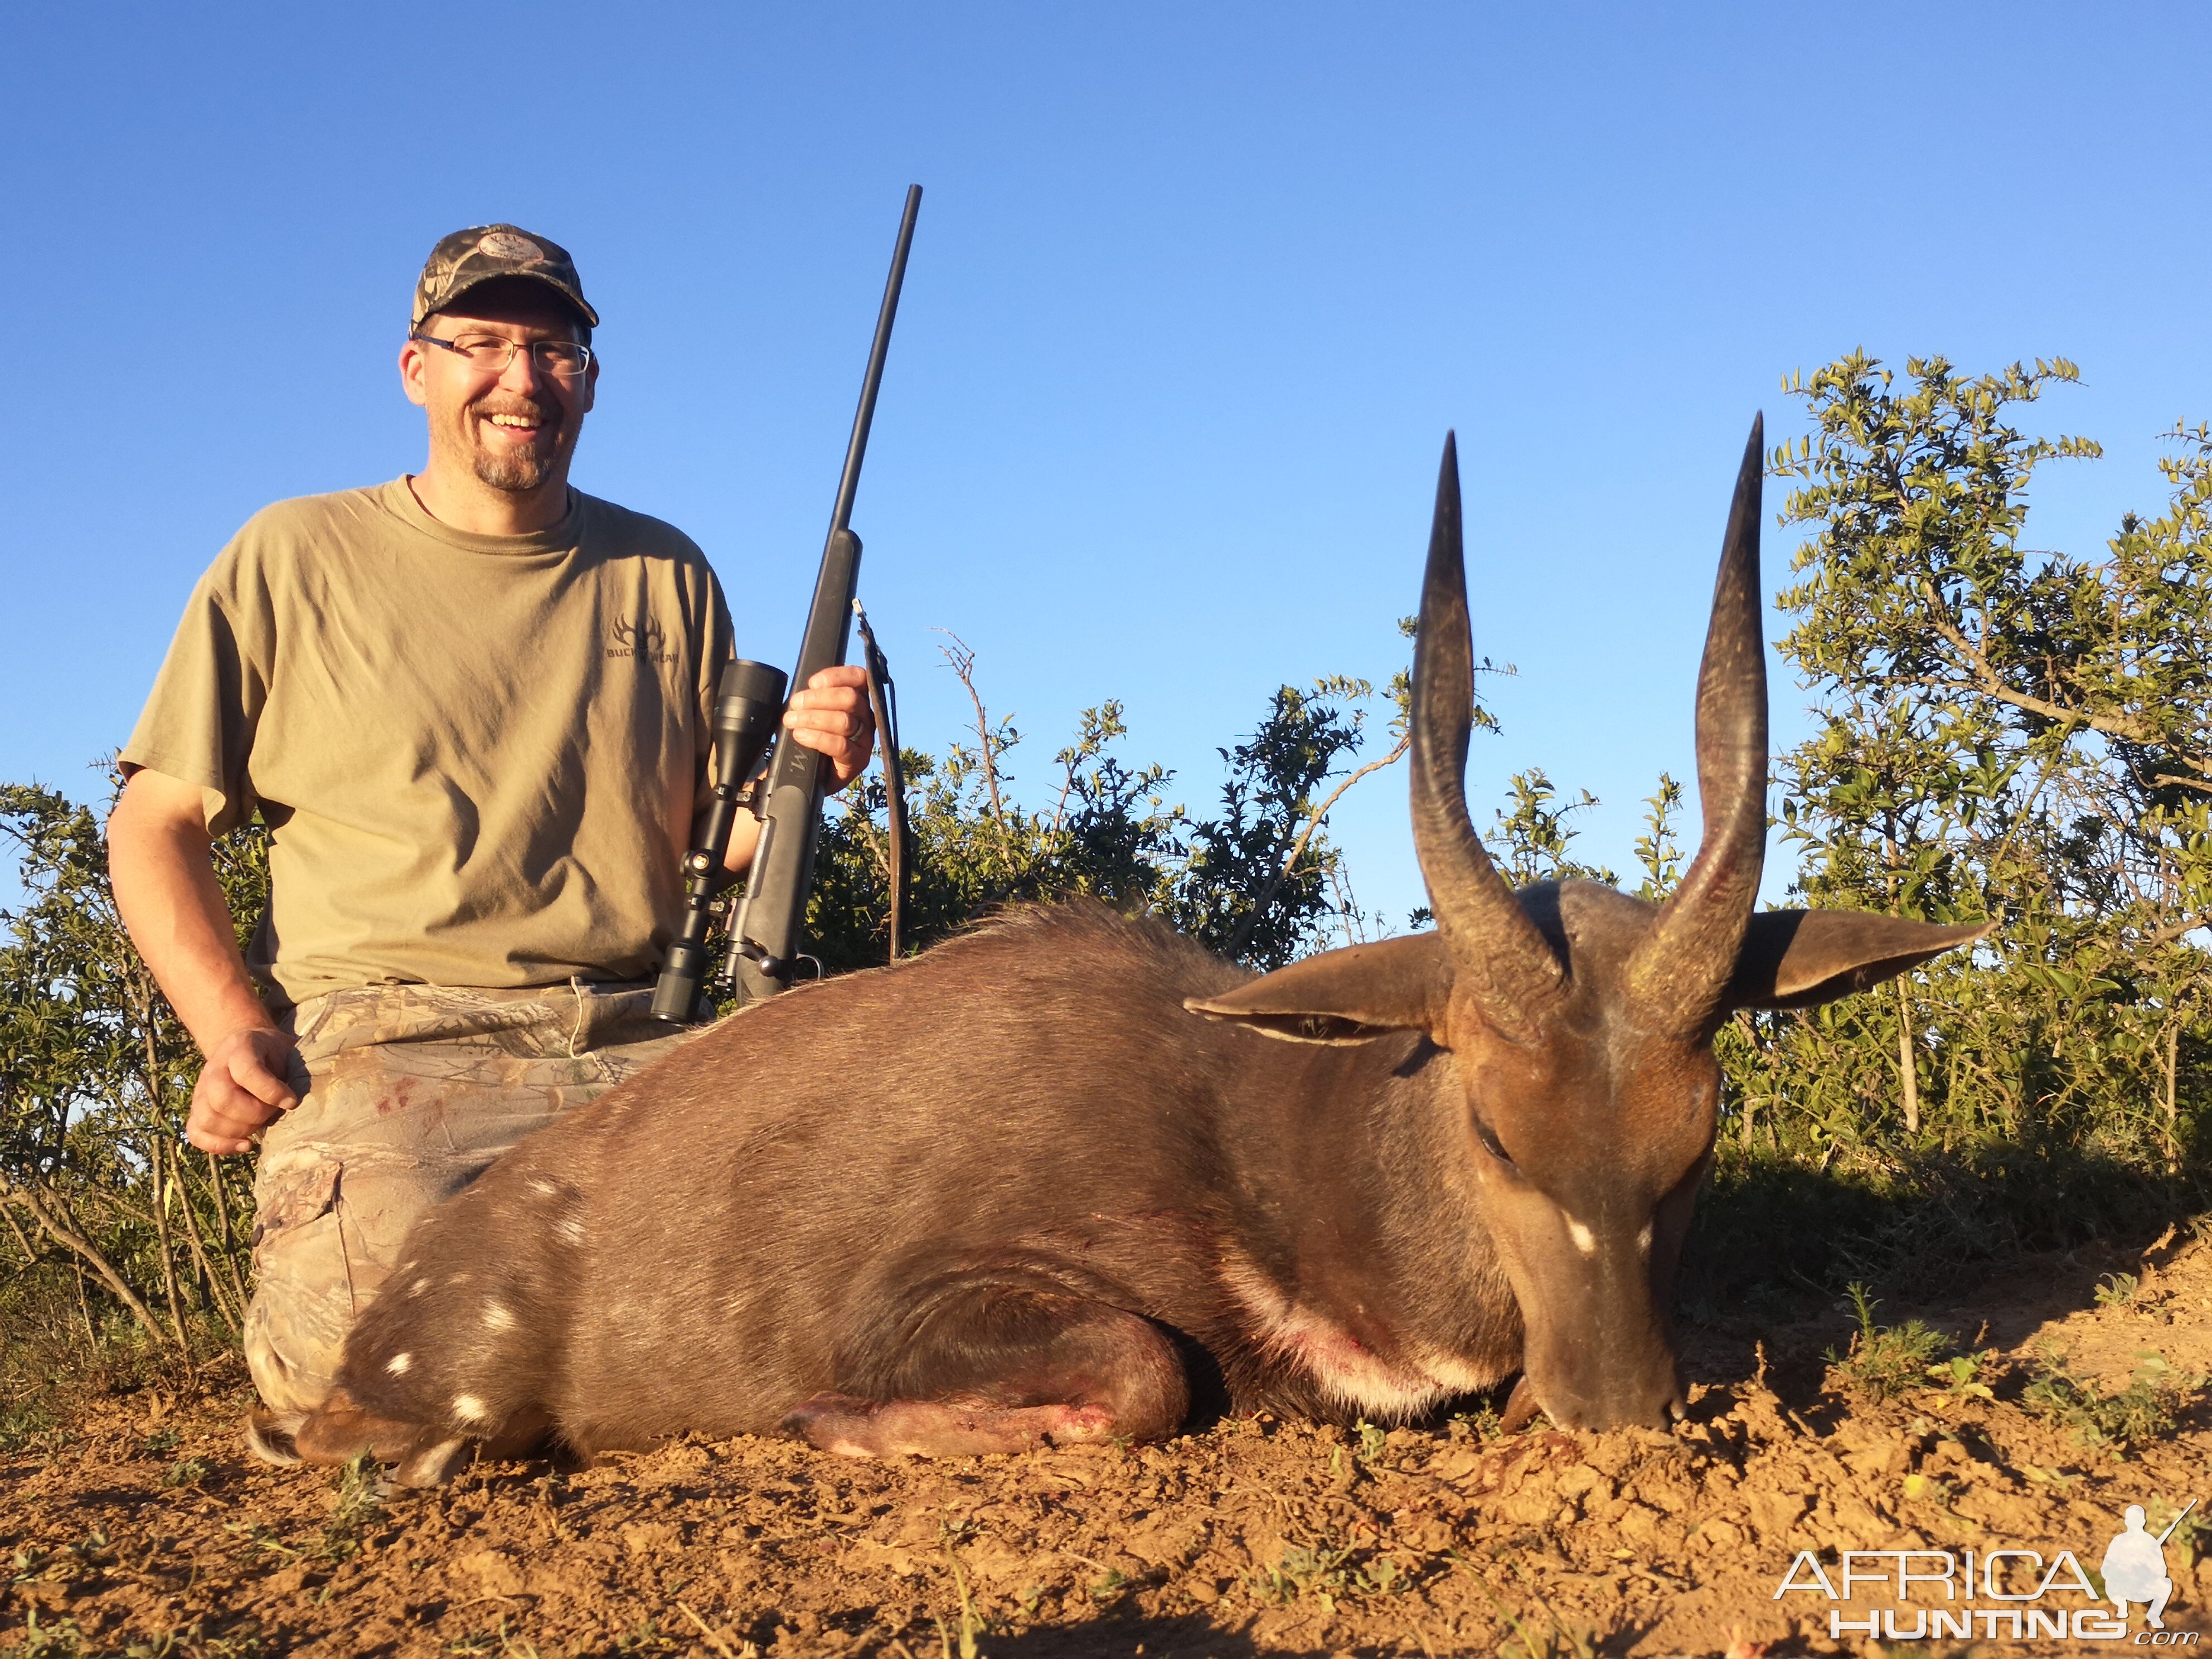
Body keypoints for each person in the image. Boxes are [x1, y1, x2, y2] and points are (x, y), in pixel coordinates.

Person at [106, 224, 874, 1418]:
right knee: (363, 1365)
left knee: (865, 1277)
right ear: (418, 368)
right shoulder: (290, 554)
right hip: (393, 1048)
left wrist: (805, 777)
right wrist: (229, 1029)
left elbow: (698, 838)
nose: (522, 380)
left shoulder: (665, 571)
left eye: (554, 349)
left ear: (589, 379)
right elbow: (154, 824)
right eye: (485, 345)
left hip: (637, 1036)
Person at [2101, 1505, 2175, 1629]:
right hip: (2123, 1586)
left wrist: (2147, 1566)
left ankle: (2154, 1615)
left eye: (2138, 1520)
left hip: (2144, 1586)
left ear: (2143, 1522)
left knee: (2166, 1584)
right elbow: (2107, 1567)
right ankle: (2122, 1607)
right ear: (2126, 1522)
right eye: (2132, 1520)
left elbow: (2161, 1570)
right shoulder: (2119, 1541)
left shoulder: (2150, 1541)